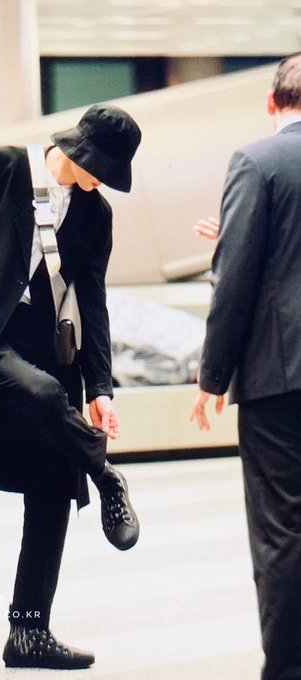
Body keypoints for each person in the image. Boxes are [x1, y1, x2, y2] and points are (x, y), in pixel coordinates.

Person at [0, 103, 141, 670]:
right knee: (43, 395)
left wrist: (101, 389)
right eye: (101, 169)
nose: (103, 182)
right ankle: (106, 474)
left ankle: (29, 631)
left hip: (45, 354)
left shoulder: (95, 214)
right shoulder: (2, 167)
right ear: (79, 151)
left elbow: (93, 302)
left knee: (54, 480)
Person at [190, 52, 301, 680]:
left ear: (270, 102)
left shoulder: (257, 161)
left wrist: (212, 376)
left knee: (283, 530)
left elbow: (237, 279)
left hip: (280, 378)